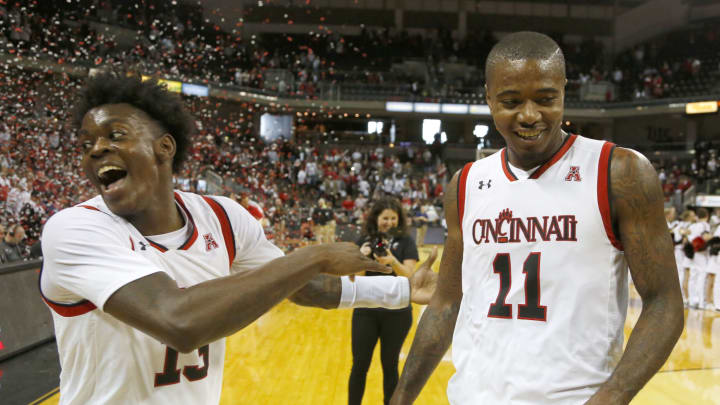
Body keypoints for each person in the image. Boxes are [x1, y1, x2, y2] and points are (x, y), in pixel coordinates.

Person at [40, 73, 438, 405]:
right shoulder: (74, 229)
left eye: (115, 134)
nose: (96, 149)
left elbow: (304, 288)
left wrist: (402, 290)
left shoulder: (223, 216)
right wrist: (313, 256)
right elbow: (178, 322)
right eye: (85, 144)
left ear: (164, 147)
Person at [390, 31, 683, 405]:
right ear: (488, 98)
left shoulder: (619, 172)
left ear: (564, 90)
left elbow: (664, 302)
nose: (530, 115)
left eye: (546, 99)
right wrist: (400, 398)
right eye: (511, 102)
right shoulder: (465, 184)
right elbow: (446, 305)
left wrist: (614, 395)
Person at [349, 197, 420, 405]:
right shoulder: (363, 240)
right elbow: (355, 278)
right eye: (385, 218)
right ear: (376, 218)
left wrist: (392, 261)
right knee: (359, 365)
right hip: (366, 311)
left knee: (390, 366)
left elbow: (410, 277)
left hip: (397, 313)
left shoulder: (406, 241)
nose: (389, 222)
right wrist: (360, 257)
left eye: (393, 218)